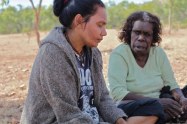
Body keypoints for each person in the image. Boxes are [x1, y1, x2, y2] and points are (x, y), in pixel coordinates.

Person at [20, 1, 160, 124]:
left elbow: (103, 98)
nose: (104, 32)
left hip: (90, 118)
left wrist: (120, 121)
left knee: (154, 107)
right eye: (100, 25)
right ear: (79, 20)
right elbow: (68, 115)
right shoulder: (53, 54)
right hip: (61, 120)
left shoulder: (92, 53)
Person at [108, 11, 187, 123]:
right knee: (153, 108)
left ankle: (164, 116)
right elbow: (118, 93)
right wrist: (157, 102)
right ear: (129, 34)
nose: (141, 38)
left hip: (160, 101)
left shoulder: (158, 53)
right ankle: (168, 115)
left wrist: (182, 99)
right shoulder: (119, 54)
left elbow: (171, 83)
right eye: (137, 32)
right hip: (132, 103)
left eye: (147, 34)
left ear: (153, 38)